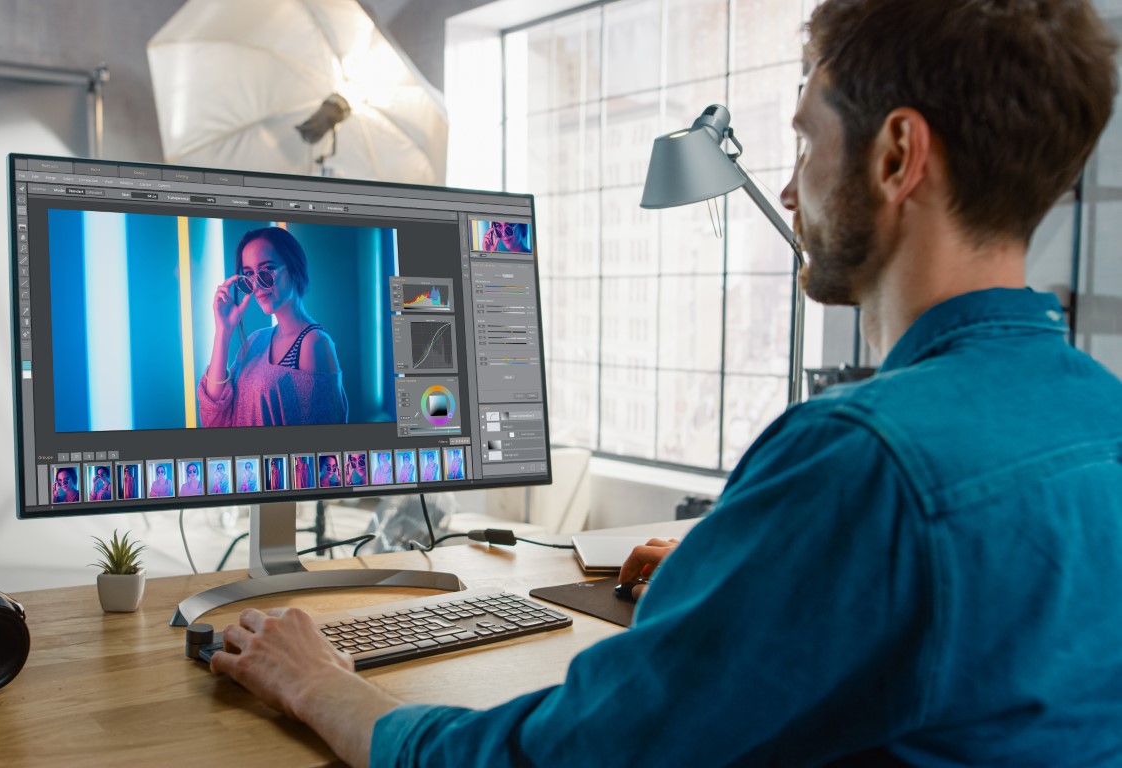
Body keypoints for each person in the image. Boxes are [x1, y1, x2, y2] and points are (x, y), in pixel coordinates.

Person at [204, 2, 1122, 765]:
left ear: (894, 156)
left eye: (804, 141)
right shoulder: (1101, 415)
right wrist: (755, 576)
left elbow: (561, 758)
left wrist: (318, 683)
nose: (791, 190)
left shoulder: (861, 456)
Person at [198, 228, 348, 427]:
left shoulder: (314, 344)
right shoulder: (255, 341)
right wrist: (223, 332)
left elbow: (321, 449)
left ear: (293, 266)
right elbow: (213, 418)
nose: (257, 285)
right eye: (249, 275)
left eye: (266, 270)